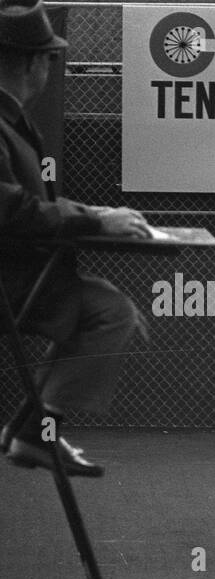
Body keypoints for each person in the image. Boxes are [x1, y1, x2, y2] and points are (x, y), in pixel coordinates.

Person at [0, 0, 151, 477]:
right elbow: (10, 208)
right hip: (11, 282)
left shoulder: (12, 120)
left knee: (103, 307)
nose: (50, 67)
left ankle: (33, 431)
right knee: (109, 311)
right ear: (30, 62)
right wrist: (93, 221)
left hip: (21, 276)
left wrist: (92, 215)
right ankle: (34, 432)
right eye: (49, 58)